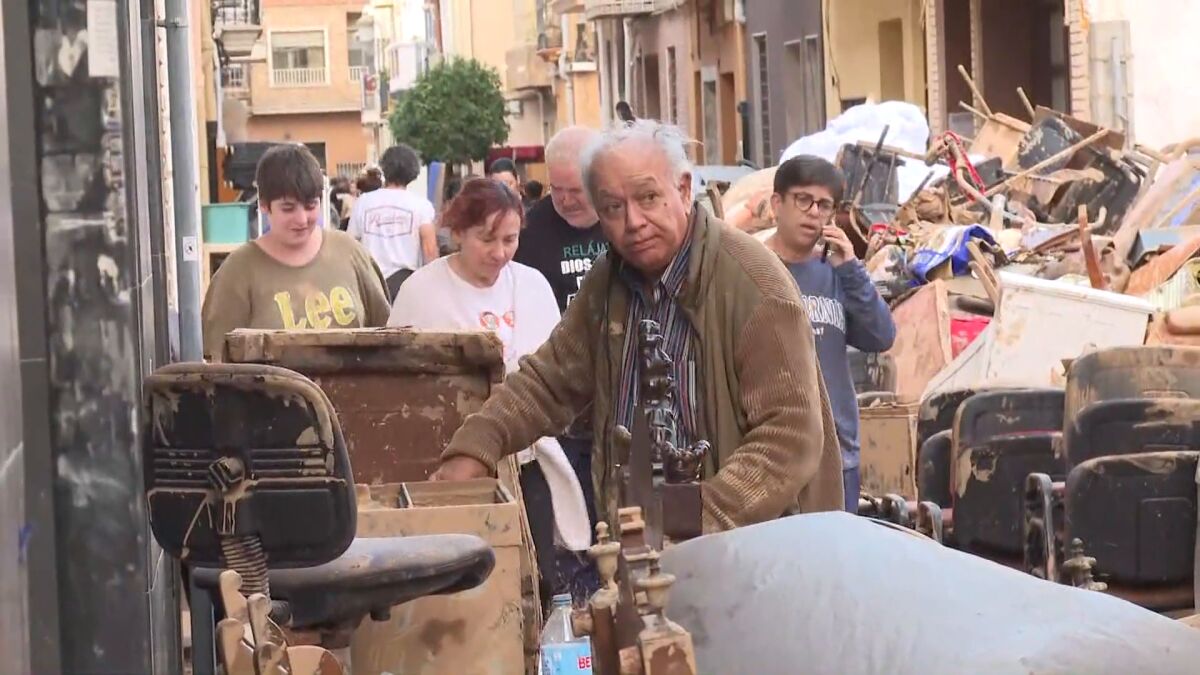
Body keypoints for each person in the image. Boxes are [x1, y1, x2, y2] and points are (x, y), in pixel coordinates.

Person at [432, 120, 845, 533]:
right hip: (641, 540)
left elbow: (789, 437)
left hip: (754, 548)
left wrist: (690, 515)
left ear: (683, 189)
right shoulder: (608, 281)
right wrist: (478, 442)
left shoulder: (754, 284)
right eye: (613, 208)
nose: (633, 222)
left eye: (648, 198)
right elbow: (549, 382)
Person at [388, 177, 593, 603]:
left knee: (536, 580)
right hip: (450, 467)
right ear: (458, 233)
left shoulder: (532, 285)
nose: (499, 252)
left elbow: (554, 374)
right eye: (487, 239)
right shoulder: (420, 292)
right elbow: (399, 388)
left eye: (510, 240)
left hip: (527, 462)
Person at [765, 156, 896, 513]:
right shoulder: (751, 266)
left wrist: (851, 268)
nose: (813, 213)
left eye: (824, 205)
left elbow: (881, 336)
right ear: (777, 204)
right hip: (771, 453)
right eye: (803, 200)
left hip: (837, 453)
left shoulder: (837, 272)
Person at [201, 144, 391, 360]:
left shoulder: (351, 253)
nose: (301, 219)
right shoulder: (237, 272)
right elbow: (218, 362)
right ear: (264, 205)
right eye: (288, 208)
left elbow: (389, 337)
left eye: (310, 206)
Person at [513, 126, 611, 526]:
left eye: (576, 190)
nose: (566, 201)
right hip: (562, 391)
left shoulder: (625, 217)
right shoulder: (530, 231)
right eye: (557, 189)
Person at [348, 144, 438, 298]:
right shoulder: (421, 205)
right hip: (406, 285)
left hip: (370, 283)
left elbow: (350, 244)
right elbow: (429, 251)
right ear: (413, 172)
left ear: (384, 168)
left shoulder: (364, 202)